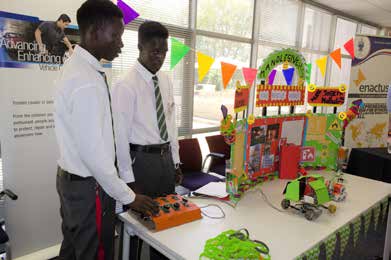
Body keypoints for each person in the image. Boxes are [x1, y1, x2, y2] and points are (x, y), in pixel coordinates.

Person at [54, 1, 158, 260]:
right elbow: (96, 156)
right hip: (90, 187)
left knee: (73, 249)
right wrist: (129, 196)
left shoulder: (77, 68)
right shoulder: (85, 81)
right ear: (94, 32)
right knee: (95, 252)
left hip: (71, 181)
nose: (120, 44)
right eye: (116, 35)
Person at [113, 21, 182, 260]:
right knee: (135, 225)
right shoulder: (125, 84)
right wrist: (128, 182)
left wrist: (176, 161)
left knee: (165, 222)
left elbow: (171, 124)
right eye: (154, 51)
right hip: (139, 162)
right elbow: (119, 137)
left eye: (164, 51)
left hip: (164, 161)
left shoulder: (166, 80)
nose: (160, 57)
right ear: (139, 46)